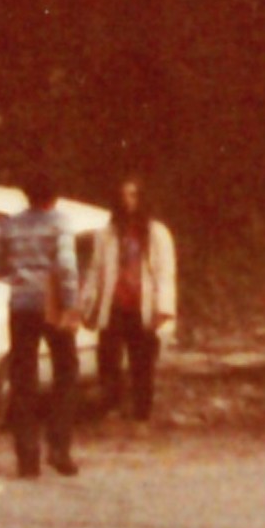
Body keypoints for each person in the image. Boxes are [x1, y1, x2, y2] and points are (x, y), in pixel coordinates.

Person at [0, 176, 84, 478]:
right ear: (55, 195)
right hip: (52, 302)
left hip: (21, 303)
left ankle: (27, 457)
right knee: (67, 370)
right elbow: (66, 266)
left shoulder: (11, 225)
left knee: (23, 378)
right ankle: (59, 446)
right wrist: (71, 304)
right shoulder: (60, 223)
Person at [92, 174, 177, 426]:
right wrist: (91, 305)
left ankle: (142, 413)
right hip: (116, 303)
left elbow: (165, 272)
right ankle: (112, 407)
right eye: (123, 195)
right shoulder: (107, 233)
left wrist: (163, 308)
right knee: (108, 359)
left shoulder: (156, 233)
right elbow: (97, 270)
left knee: (142, 362)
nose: (128, 201)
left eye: (133, 195)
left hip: (143, 305)